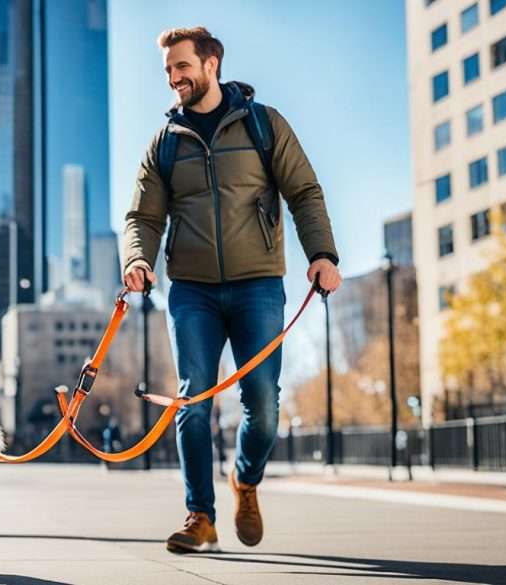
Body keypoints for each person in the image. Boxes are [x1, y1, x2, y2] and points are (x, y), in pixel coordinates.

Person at [122, 27, 341, 553]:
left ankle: (245, 480)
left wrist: (322, 255)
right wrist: (137, 259)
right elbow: (142, 216)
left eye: (182, 67)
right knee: (191, 402)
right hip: (191, 291)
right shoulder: (165, 143)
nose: (174, 78)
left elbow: (304, 191)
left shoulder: (265, 125)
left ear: (211, 64)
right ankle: (200, 515)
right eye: (168, 71)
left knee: (263, 405)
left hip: (258, 285)